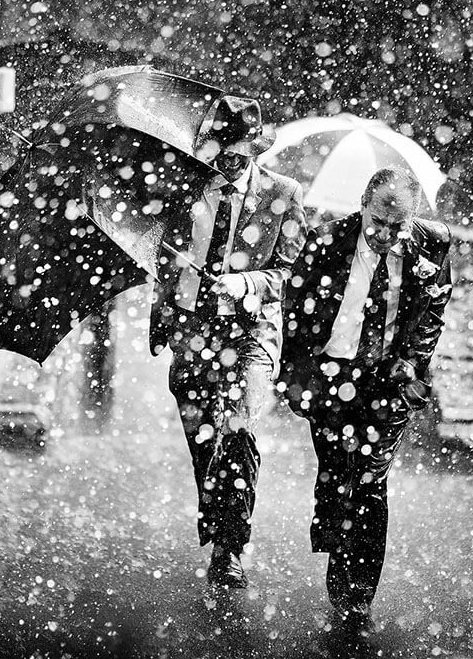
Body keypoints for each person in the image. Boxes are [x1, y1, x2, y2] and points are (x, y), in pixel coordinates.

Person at [278, 167, 453, 631]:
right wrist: (294, 375)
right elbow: (293, 307)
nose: (385, 234)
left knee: (371, 481)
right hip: (332, 376)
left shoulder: (433, 244)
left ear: (413, 219)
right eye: (377, 221)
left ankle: (355, 595)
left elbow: (435, 306)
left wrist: (412, 361)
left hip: (386, 382)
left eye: (398, 226)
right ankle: (339, 548)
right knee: (337, 474)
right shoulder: (324, 242)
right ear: (362, 204)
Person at [149, 97, 307, 589]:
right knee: (204, 445)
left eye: (236, 152)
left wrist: (247, 284)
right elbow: (162, 258)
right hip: (192, 331)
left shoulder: (283, 193)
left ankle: (230, 546)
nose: (226, 162)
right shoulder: (186, 187)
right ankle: (218, 523)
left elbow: (295, 275)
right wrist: (164, 312)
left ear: (254, 149)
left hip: (253, 333)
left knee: (236, 429)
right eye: (219, 151)